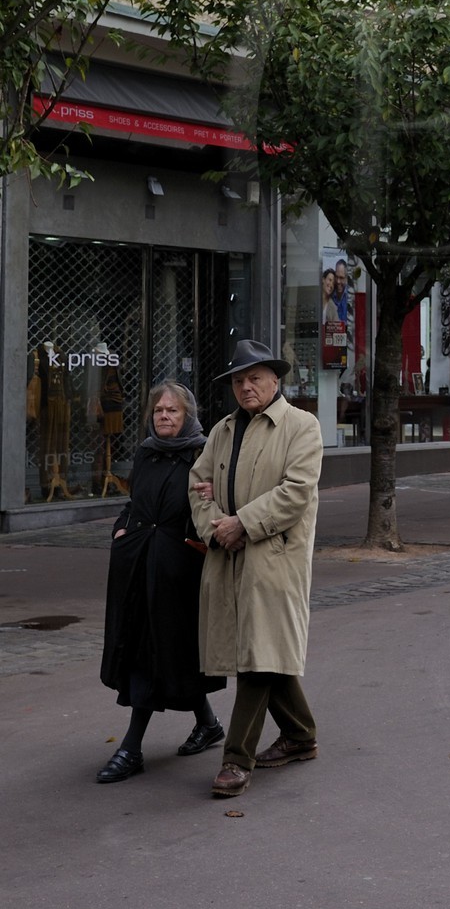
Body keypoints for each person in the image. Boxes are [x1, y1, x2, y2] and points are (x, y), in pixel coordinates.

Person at [189, 339, 323, 800]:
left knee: (257, 657)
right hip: (228, 556)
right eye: (239, 380)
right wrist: (215, 528)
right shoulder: (223, 430)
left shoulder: (302, 426)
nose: (246, 387)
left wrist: (242, 523)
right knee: (265, 650)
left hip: (274, 558)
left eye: (255, 378)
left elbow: (296, 491)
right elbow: (198, 485)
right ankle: (301, 736)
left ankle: (235, 759)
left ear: (275, 380)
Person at [96, 383, 225, 783]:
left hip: (179, 568)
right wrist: (121, 530)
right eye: (158, 410)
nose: (164, 416)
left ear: (188, 416)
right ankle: (208, 724)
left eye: (173, 410)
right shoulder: (146, 452)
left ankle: (131, 747)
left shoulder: (203, 453)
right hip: (138, 564)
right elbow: (135, 503)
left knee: (161, 649)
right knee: (155, 649)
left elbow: (219, 502)